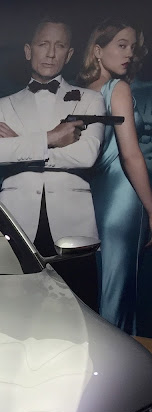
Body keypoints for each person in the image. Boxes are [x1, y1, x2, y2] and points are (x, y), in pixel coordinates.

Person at [0, 18, 106, 309]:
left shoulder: (90, 100)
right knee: (16, 312)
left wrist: (19, 143)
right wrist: (51, 138)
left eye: (59, 46)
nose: (50, 53)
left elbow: (86, 155)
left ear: (69, 54)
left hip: (74, 230)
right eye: (43, 44)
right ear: (28, 50)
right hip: (17, 225)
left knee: (80, 314)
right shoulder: (3, 105)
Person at [78, 20, 152, 335]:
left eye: (132, 47)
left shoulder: (80, 92)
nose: (129, 54)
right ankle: (120, 357)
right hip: (124, 195)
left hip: (94, 197)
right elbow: (130, 155)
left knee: (105, 283)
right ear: (98, 50)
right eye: (121, 45)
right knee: (119, 288)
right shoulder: (117, 88)